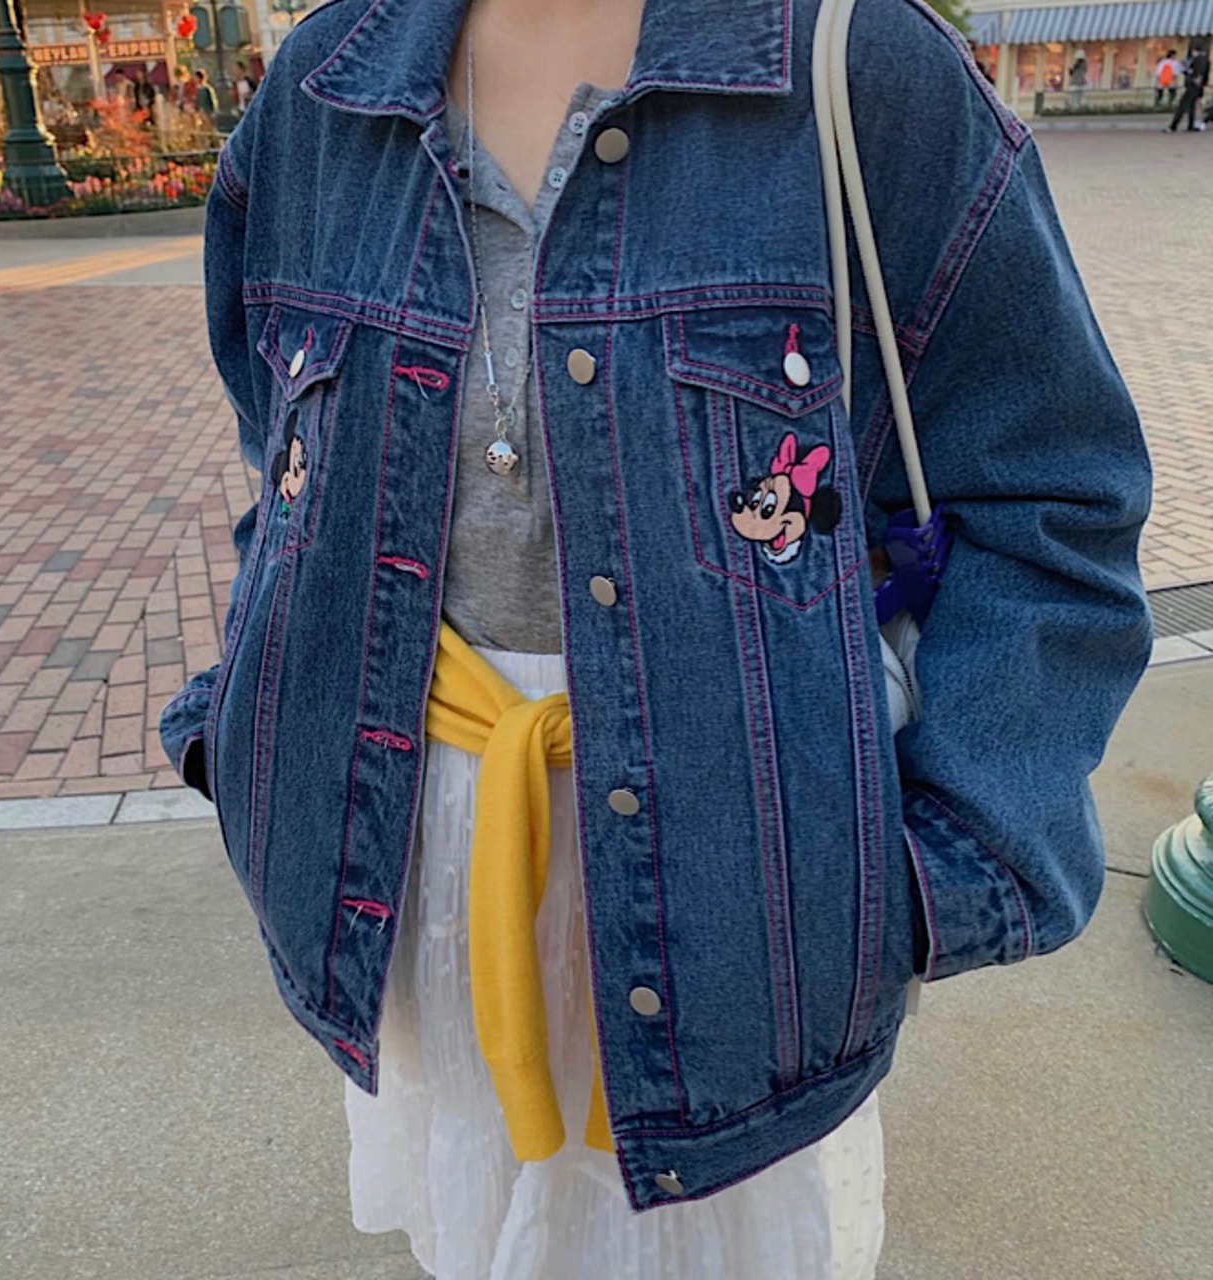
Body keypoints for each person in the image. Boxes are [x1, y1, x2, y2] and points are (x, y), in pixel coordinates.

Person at [159, 0, 1152, 1276]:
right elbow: (283, 452)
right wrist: (251, 734)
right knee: (476, 1226)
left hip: (750, 913)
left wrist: (920, 877)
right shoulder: (322, 88)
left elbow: (1047, 503)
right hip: (414, 870)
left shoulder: (859, 70)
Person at [1168, 42, 1209, 131]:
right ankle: (1190, 125)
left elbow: (1194, 72)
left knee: (1183, 104)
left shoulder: (1199, 59)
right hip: (1197, 86)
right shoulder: (1204, 59)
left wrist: (1190, 73)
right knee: (1192, 106)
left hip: (1193, 85)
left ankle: (1173, 125)